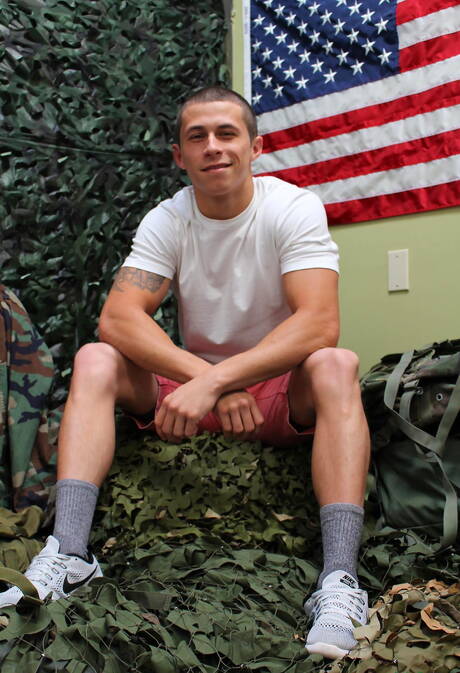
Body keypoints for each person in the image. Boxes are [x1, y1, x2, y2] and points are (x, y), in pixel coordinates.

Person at [0, 86, 370, 660]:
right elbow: (118, 319)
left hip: (272, 395)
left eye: (227, 133)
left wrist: (222, 381)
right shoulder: (169, 217)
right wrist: (205, 379)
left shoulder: (293, 208)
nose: (213, 146)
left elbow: (320, 323)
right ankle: (71, 552)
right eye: (197, 137)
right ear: (179, 155)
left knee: (336, 364)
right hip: (190, 394)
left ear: (255, 147)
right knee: (95, 357)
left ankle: (340, 581)